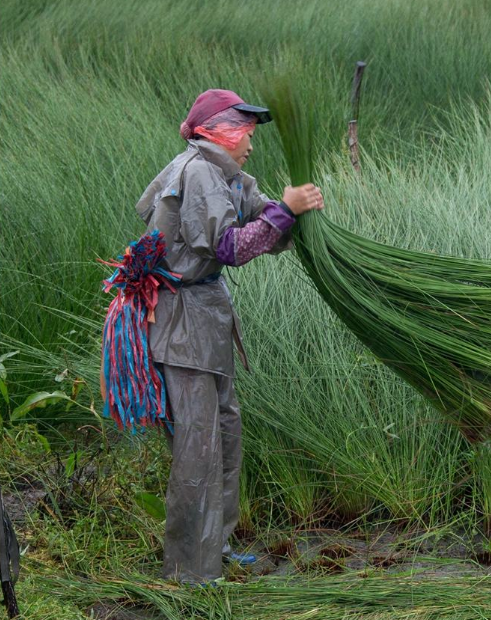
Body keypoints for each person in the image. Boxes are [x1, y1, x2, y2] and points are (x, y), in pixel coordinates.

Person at [135, 89, 324, 584]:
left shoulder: (231, 176)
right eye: (248, 137)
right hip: (181, 324)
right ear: (222, 133)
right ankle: (190, 573)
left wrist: (294, 212)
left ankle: (214, 548)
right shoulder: (196, 172)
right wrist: (284, 209)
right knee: (197, 447)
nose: (252, 147)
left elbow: (266, 221)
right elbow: (228, 246)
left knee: (225, 434)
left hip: (208, 318)